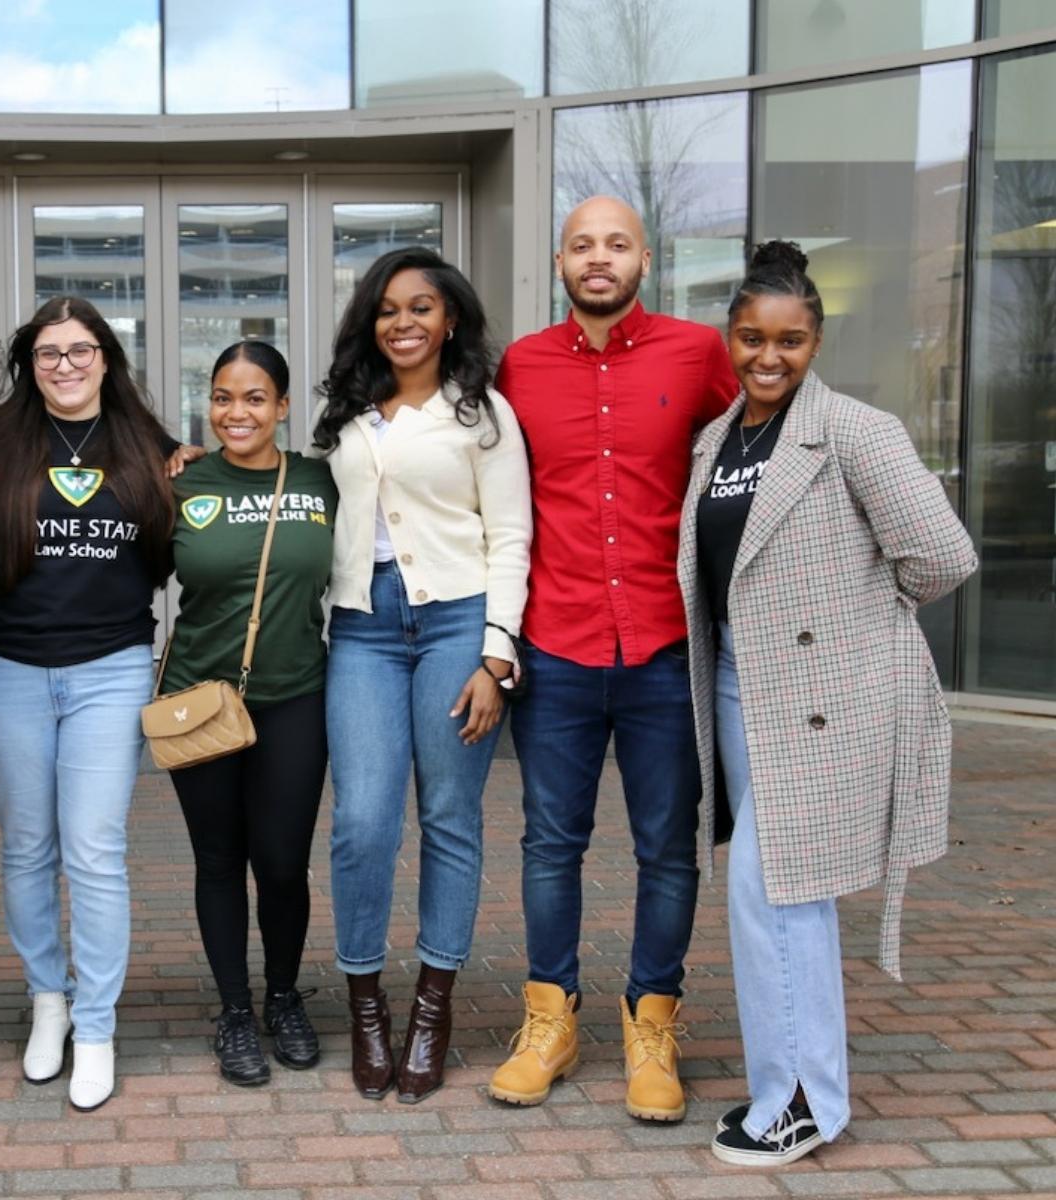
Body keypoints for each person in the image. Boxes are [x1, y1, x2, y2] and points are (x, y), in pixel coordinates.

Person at [679, 241, 975, 1165]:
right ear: (730, 338)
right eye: (752, 339)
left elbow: (941, 555)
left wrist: (855, 630)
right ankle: (798, 1089)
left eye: (791, 341)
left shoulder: (855, 430)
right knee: (783, 891)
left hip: (820, 697)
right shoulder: (717, 438)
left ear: (817, 341)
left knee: (774, 888)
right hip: (736, 686)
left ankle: (802, 1100)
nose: (769, 358)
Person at [488, 197, 738, 1123]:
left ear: (644, 259)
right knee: (551, 843)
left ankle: (651, 1024)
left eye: (618, 245)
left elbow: (759, 442)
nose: (600, 259)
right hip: (554, 645)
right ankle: (550, 1019)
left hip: (667, 650)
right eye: (584, 245)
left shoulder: (696, 354)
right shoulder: (520, 366)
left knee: (667, 849)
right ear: (560, 261)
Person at [318, 247, 531, 1103]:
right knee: (363, 820)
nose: (403, 323)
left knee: (448, 815)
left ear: (450, 321)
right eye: (387, 310)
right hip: (363, 628)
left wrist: (496, 652)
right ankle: (367, 1005)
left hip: (455, 621)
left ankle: (432, 1007)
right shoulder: (348, 417)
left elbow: (512, 534)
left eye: (421, 308)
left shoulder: (483, 415)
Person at [0, 296, 178, 1112]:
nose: (65, 365)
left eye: (80, 350)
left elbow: (170, 547)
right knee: (27, 848)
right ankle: (47, 1002)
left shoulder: (149, 445)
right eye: (48, 353)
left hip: (111, 669)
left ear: (106, 358)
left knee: (93, 849)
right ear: (30, 362)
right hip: (9, 668)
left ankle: (96, 1025)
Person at [163, 341, 338, 1086]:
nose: (239, 413)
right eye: (225, 398)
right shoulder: (180, 482)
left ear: (284, 406)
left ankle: (284, 997)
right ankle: (234, 1011)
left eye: (257, 397)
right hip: (199, 700)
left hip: (296, 693)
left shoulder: (320, 480)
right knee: (217, 860)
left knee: (282, 862)